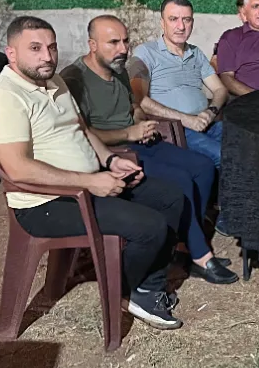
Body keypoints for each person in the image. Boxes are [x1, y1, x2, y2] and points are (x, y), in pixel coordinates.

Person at [0, 16, 187, 330]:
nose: (47, 56)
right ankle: (126, 290)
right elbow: (17, 168)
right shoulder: (2, 98)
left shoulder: (54, 81)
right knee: (151, 225)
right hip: (45, 204)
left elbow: (82, 130)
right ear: (11, 53)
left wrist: (110, 161)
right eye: (35, 48)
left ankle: (144, 288)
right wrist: (90, 181)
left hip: (88, 183)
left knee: (171, 197)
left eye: (51, 47)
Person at [61, 15, 238, 284]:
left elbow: (135, 106)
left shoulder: (119, 69)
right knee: (180, 179)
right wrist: (127, 133)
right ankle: (200, 255)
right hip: (113, 153)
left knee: (203, 167)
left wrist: (140, 123)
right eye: (113, 42)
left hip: (141, 141)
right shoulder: (75, 79)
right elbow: (82, 134)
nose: (123, 49)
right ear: (92, 45)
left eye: (125, 41)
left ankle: (185, 243)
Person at [129, 0, 229, 169]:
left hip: (208, 123)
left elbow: (220, 89)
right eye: (173, 19)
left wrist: (211, 112)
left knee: (247, 146)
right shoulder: (146, 53)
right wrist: (186, 120)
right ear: (162, 23)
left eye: (186, 20)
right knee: (224, 155)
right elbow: (140, 100)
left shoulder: (195, 53)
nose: (181, 26)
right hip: (175, 129)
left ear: (192, 23)